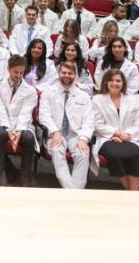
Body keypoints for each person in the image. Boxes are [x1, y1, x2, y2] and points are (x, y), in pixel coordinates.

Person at [39, 61, 94, 189]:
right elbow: (44, 115)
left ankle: (74, 191)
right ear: (59, 73)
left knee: (83, 153)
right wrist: (55, 132)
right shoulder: (48, 92)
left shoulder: (84, 96)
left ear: (75, 75)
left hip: (76, 134)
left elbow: (89, 121)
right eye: (64, 72)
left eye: (70, 73)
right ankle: (73, 192)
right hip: (56, 132)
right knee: (57, 150)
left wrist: (83, 139)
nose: (66, 75)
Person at [91, 69, 139, 191]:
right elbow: (97, 124)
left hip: (130, 138)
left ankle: (134, 193)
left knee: (134, 154)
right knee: (116, 155)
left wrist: (125, 135)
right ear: (105, 82)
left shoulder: (133, 100)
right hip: (108, 138)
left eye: (118, 80)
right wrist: (116, 134)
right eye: (111, 80)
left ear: (123, 83)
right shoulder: (97, 100)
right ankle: (131, 192)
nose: (115, 83)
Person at [0, 55, 38, 187]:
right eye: (15, 72)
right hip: (1, 122)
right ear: (8, 69)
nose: (18, 75)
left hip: (22, 125)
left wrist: (18, 130)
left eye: (21, 73)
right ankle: (2, 175)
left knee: (29, 138)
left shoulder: (30, 91)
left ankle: (24, 176)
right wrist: (8, 129)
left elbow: (26, 113)